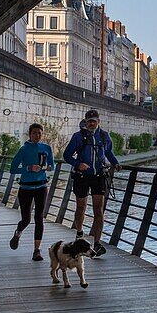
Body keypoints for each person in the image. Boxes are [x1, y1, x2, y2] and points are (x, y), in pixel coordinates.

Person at [62, 109, 121, 256]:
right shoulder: (78, 136)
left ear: (98, 121)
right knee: (81, 207)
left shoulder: (104, 136)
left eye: (94, 121)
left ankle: (97, 243)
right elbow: (67, 155)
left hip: (98, 176)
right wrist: (78, 164)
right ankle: (80, 233)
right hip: (82, 176)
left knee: (98, 210)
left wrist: (115, 163)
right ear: (86, 122)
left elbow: (108, 152)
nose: (92, 123)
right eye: (89, 121)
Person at [9, 123, 55, 261]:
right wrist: (29, 168)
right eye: (34, 133)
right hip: (26, 188)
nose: (37, 135)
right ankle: (18, 233)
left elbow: (51, 165)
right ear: (30, 134)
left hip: (41, 186)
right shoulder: (24, 149)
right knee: (26, 219)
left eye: (39, 133)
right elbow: (12, 169)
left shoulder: (47, 148)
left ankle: (37, 250)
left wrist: (45, 167)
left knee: (39, 217)